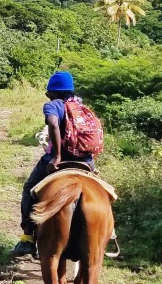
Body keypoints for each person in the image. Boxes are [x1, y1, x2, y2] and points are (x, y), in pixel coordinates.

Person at [10, 70, 97, 258]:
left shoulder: (54, 105)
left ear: (53, 92)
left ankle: (28, 238)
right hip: (87, 162)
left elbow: (52, 122)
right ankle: (109, 233)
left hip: (59, 161)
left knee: (29, 189)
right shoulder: (81, 106)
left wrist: (57, 155)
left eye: (48, 93)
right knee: (101, 192)